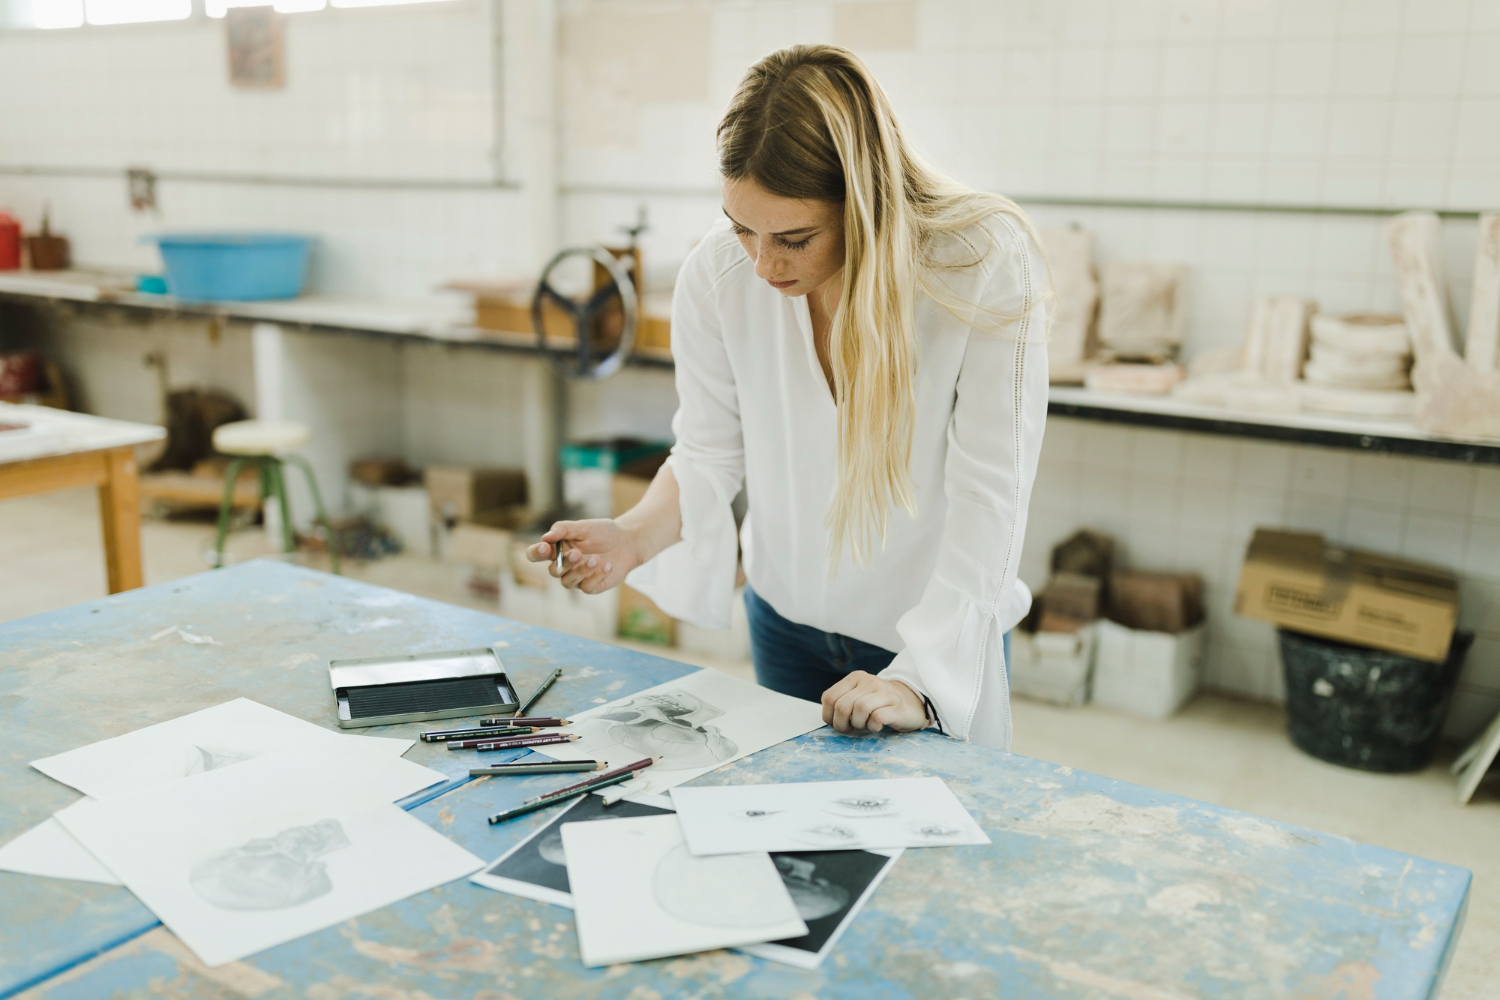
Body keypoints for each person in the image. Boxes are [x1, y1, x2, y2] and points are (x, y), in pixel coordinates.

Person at [526, 44, 1048, 748]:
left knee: (918, 850)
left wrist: (920, 678)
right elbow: (708, 450)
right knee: (788, 838)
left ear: (864, 206)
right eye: (742, 227)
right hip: (784, 624)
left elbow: (994, 497)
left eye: (794, 238)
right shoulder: (719, 271)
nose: (763, 263)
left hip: (931, 643)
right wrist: (633, 535)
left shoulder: (980, 261)